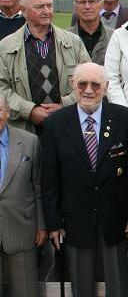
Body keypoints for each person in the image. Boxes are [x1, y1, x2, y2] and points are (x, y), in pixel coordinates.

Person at [42, 62, 128, 297]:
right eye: (82, 84)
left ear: (106, 87)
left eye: (95, 84)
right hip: (75, 218)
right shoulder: (55, 124)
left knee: (117, 286)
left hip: (115, 218)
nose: (88, 90)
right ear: (72, 86)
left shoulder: (126, 119)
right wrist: (53, 222)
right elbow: (49, 177)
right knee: (81, 286)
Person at [0, 0, 90, 134]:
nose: (47, 11)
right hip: (24, 131)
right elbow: (1, 88)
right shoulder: (5, 47)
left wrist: (65, 105)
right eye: (40, 7)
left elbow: (90, 80)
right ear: (23, 11)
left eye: (49, 5)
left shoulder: (73, 42)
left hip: (68, 128)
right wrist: (29, 111)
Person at [0, 94, 44, 297]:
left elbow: (37, 188)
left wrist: (42, 226)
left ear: (7, 112)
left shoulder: (30, 142)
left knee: (26, 292)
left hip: (22, 229)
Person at [67, 0, 114, 65]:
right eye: (82, 2)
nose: (87, 7)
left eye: (92, 2)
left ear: (101, 5)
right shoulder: (64, 38)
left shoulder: (114, 37)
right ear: (75, 7)